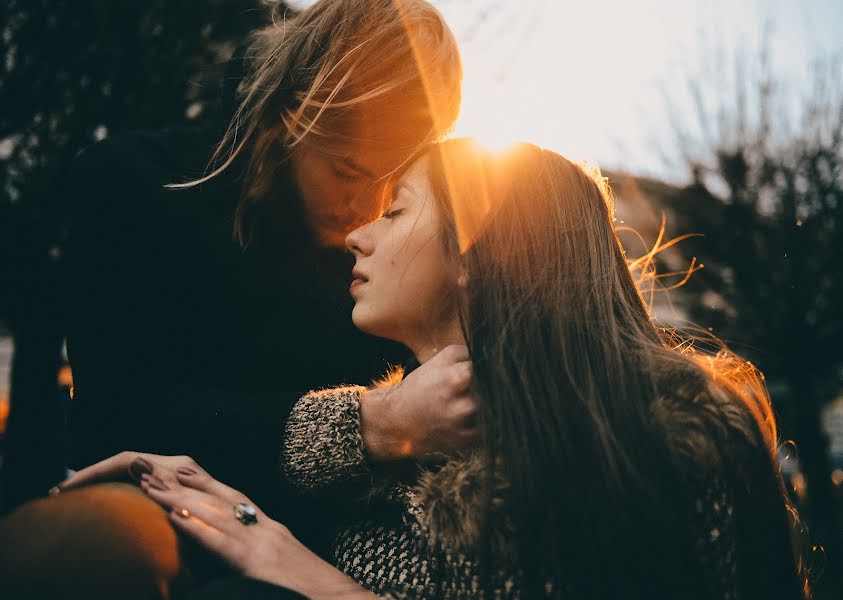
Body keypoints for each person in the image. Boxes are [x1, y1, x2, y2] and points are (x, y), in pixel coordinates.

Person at [40, 139, 808, 598]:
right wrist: (222, 505)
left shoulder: (660, 439)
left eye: (396, 209)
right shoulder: (406, 436)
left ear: (477, 249)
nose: (357, 236)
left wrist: (306, 576)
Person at [57, 0, 467, 545]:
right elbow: (118, 423)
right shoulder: (134, 188)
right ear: (284, 117)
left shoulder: (386, 263)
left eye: (393, 191)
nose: (365, 207)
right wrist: (374, 422)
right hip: (164, 538)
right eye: (347, 170)